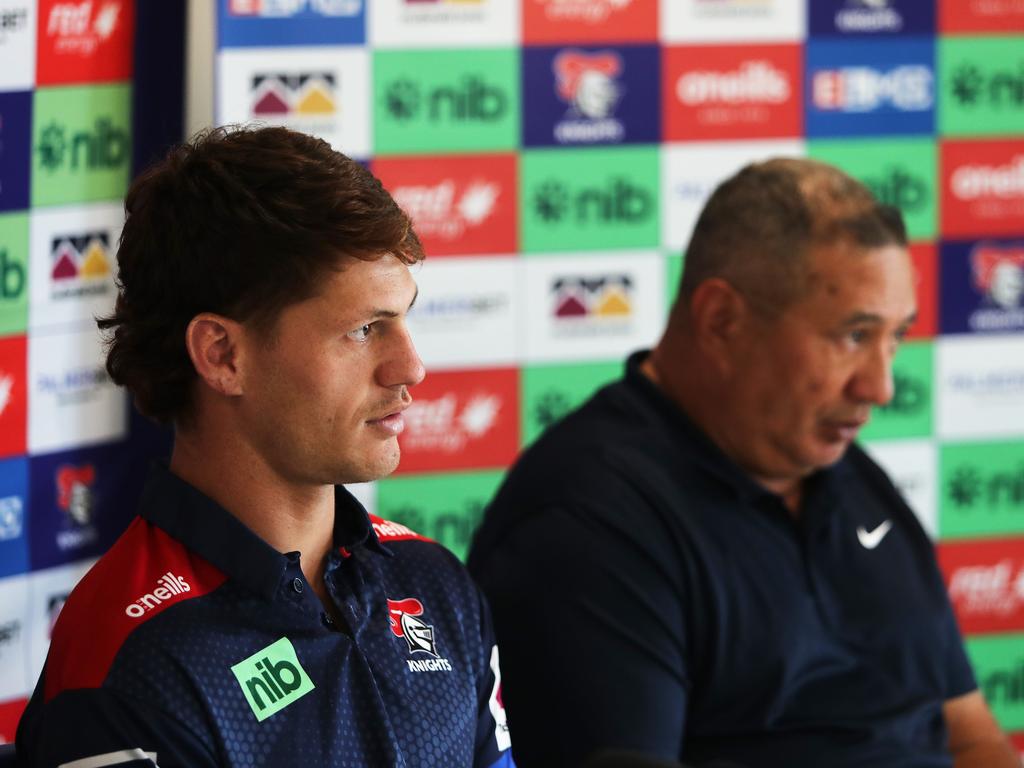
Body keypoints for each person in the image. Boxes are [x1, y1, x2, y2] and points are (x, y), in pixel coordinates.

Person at [467, 158, 1017, 768]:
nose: (881, 386)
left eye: (896, 337)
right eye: (854, 336)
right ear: (721, 319)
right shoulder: (585, 518)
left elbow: (969, 734)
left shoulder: (850, 475)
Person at [17, 126, 514, 768]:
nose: (410, 367)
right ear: (223, 355)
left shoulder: (435, 583)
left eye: (404, 318)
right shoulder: (137, 658)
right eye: (364, 329)